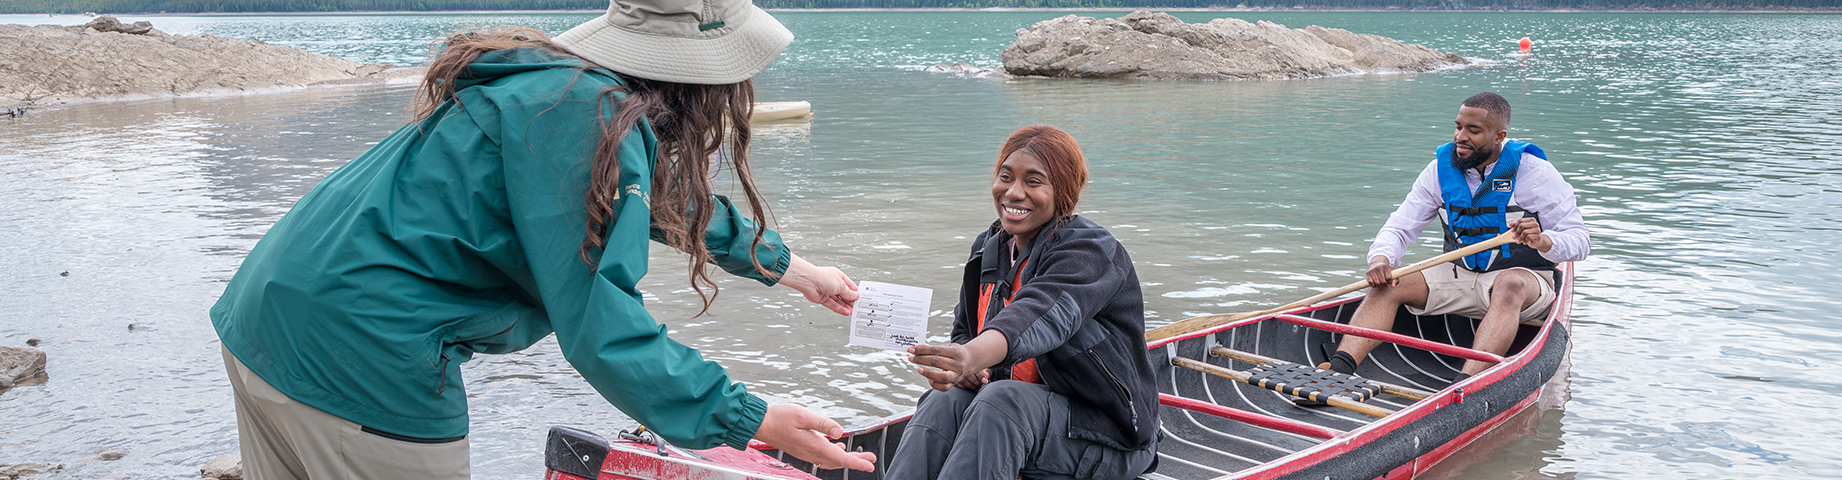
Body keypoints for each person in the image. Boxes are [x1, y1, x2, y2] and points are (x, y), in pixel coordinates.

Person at [209, 0, 876, 478]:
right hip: (362, 352)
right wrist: (749, 418)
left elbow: (654, 202)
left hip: (268, 315)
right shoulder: (588, 118)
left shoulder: (558, 92)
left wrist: (791, 268)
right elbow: (603, 328)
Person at [888, 125, 1159, 480]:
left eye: (1033, 182)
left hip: (1107, 433)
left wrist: (970, 356)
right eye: (1006, 177)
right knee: (946, 400)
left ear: (1062, 192)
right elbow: (965, 331)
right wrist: (966, 366)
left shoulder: (1090, 252)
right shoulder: (990, 247)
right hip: (1024, 419)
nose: (1014, 193)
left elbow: (1038, 315)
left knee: (1000, 403)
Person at [1321, 92, 1590, 382]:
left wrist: (1544, 241)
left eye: (1473, 131)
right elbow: (1400, 226)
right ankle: (1338, 370)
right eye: (1458, 126)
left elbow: (1580, 240)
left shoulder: (1535, 174)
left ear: (1499, 136)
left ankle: (1465, 385)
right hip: (1460, 273)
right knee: (1389, 283)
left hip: (1524, 282)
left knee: (1508, 283)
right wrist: (1381, 259)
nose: (1461, 136)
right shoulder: (1439, 170)